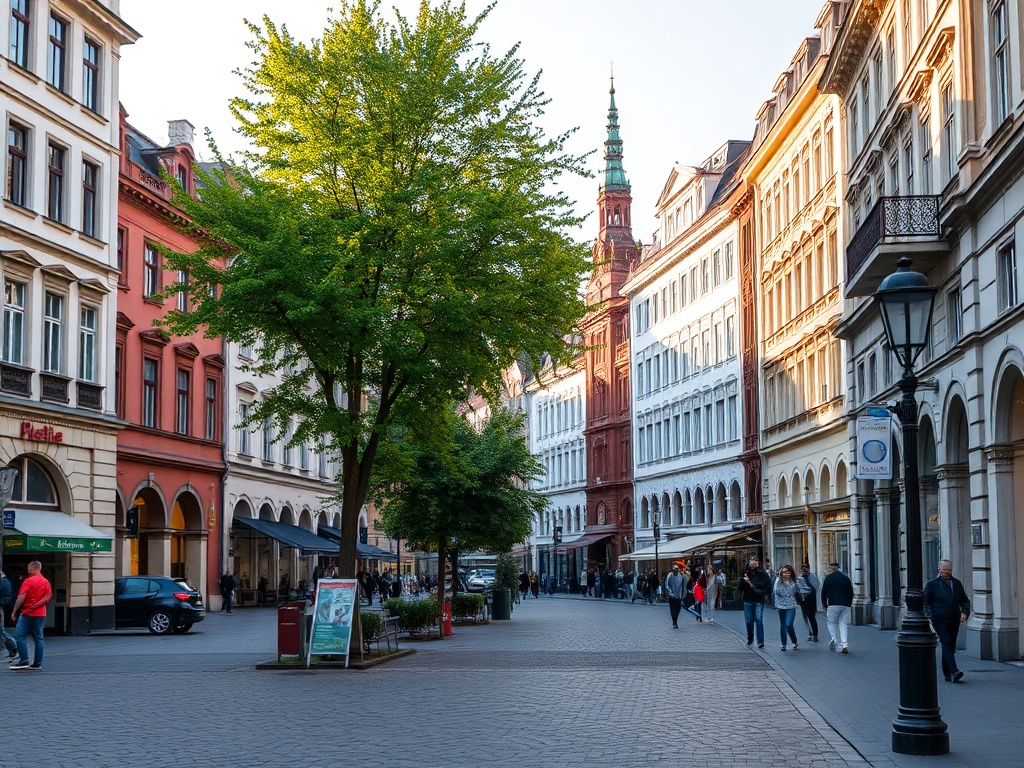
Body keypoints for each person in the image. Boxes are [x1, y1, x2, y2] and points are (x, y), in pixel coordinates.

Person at [924, 559, 971, 683]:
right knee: (946, 643)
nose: (946, 572)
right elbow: (926, 602)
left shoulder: (956, 583)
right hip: (939, 619)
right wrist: (930, 615)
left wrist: (965, 613)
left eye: (949, 570)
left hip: (954, 619)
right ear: (939, 569)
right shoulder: (932, 584)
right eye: (944, 570)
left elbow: (964, 601)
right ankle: (954, 670)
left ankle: (947, 673)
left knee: (950, 646)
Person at [9, 560, 51, 671]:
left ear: (32, 568)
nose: (27, 570)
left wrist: (14, 611)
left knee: (19, 635)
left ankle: (24, 661)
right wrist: (37, 605)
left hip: (27, 613)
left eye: (28, 568)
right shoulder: (46, 581)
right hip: (41, 613)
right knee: (38, 638)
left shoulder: (28, 581)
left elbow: (21, 597)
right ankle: (37, 664)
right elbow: (47, 597)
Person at [820, 562, 854, 654]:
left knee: (832, 623)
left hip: (833, 604)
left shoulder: (828, 578)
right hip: (845, 604)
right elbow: (851, 592)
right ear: (839, 568)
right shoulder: (846, 578)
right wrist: (849, 603)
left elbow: (823, 592)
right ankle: (845, 644)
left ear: (831, 568)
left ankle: (836, 642)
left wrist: (824, 604)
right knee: (843, 624)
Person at [738, 557, 772, 648]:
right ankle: (750, 637)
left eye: (755, 564)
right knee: (749, 621)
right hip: (747, 599)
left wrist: (751, 583)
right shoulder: (745, 574)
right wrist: (743, 581)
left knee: (759, 619)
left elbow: (767, 585)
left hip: (759, 600)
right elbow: (740, 588)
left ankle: (761, 641)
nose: (753, 566)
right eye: (751, 564)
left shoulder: (762, 574)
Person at [773, 564, 800, 651]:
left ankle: (794, 641)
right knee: (783, 625)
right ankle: (783, 644)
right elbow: (776, 591)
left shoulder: (794, 582)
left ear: (791, 573)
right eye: (784, 572)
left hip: (791, 606)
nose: (785, 574)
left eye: (787, 572)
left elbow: (795, 591)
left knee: (788, 625)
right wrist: (780, 579)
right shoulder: (778, 580)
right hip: (780, 605)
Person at [796, 563, 821, 642]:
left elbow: (814, 588)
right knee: (805, 618)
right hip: (803, 602)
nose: (804, 571)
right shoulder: (800, 578)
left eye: (805, 569)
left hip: (811, 601)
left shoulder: (812, 577)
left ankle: (815, 635)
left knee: (812, 618)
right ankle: (810, 633)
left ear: (808, 569)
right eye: (802, 569)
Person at [0, 569, 17, 658]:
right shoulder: (4, 582)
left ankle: (13, 646)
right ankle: (12, 647)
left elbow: (7, 597)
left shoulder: (4, 583)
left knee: (1, 631)